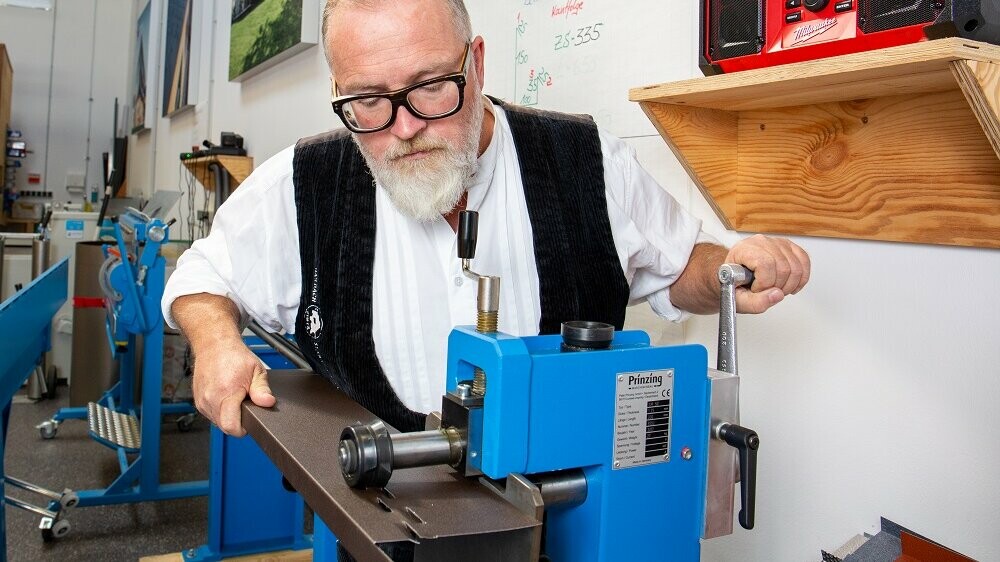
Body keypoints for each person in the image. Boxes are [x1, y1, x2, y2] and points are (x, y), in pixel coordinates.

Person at [163, 0, 810, 438]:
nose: (408, 127)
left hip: (563, 519)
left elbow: (676, 269)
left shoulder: (583, 161)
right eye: (367, 101)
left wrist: (726, 270)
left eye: (431, 87)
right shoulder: (307, 182)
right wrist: (216, 341)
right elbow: (203, 274)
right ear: (339, 94)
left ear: (476, 62)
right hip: (372, 523)